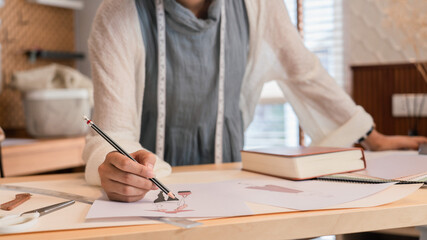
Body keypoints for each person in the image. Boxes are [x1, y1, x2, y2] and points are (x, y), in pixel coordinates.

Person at [82, 0, 427, 202]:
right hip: (149, 196)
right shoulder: (117, 15)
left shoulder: (258, 6)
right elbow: (113, 132)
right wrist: (117, 168)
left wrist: (373, 138)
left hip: (230, 184)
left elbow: (306, 72)